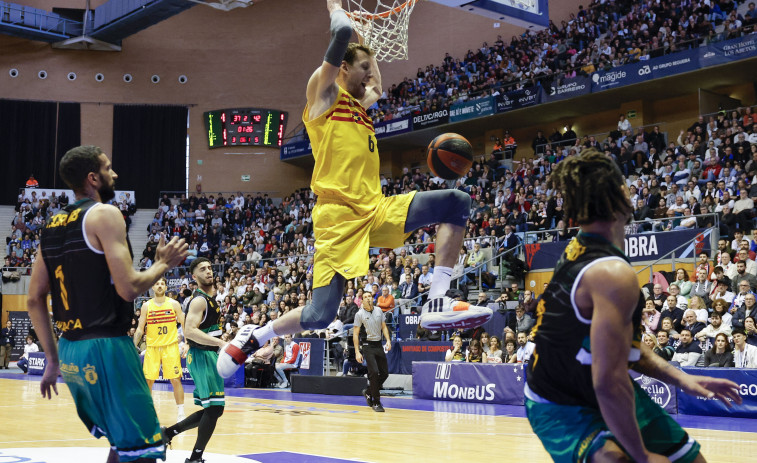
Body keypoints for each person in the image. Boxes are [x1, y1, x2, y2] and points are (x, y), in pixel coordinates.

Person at [219, 0, 492, 375]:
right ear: (343, 67)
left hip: (375, 207)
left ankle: (438, 300)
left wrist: (369, 41)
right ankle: (258, 335)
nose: (370, 76)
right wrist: (336, 8)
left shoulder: (362, 105)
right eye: (362, 67)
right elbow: (342, 35)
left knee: (457, 201)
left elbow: (376, 83)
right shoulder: (323, 97)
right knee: (318, 315)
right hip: (337, 218)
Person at [524, 149, 740, 463]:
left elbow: (623, 350)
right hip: (558, 399)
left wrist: (683, 379)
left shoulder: (581, 248)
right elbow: (608, 381)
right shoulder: (611, 274)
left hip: (589, 382)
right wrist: (641, 455)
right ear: (620, 199)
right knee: (616, 460)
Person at [26, 145, 188, 463]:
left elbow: (33, 299)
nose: (114, 173)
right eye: (108, 168)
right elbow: (128, 289)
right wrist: (161, 265)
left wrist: (52, 359)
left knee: (120, 443)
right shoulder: (105, 214)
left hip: (71, 351)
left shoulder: (52, 225)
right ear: (93, 178)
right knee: (144, 451)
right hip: (107, 348)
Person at [162, 257, 226, 463]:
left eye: (210, 268)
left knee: (214, 409)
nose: (208, 271)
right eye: (203, 269)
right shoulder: (198, 300)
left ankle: (169, 434)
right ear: (194, 276)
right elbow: (189, 331)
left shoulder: (209, 299)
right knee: (215, 408)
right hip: (201, 355)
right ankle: (195, 457)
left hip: (208, 355)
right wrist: (221, 344)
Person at [133, 276, 187, 421]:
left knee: (175, 379)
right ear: (152, 287)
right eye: (157, 284)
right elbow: (139, 329)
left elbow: (184, 323)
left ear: (166, 287)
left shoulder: (174, 304)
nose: (160, 286)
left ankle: (181, 412)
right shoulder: (146, 306)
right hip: (152, 348)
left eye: (162, 284)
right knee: (148, 381)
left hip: (170, 346)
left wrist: (187, 343)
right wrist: (132, 346)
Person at [353, 291, 391, 412]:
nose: (368, 298)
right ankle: (376, 402)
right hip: (367, 345)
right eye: (365, 297)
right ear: (362, 301)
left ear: (372, 298)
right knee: (374, 372)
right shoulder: (359, 314)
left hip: (379, 344)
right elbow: (355, 333)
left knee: (384, 373)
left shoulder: (379, 310)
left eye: (369, 296)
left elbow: (384, 326)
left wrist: (388, 340)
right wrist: (357, 352)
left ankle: (369, 392)